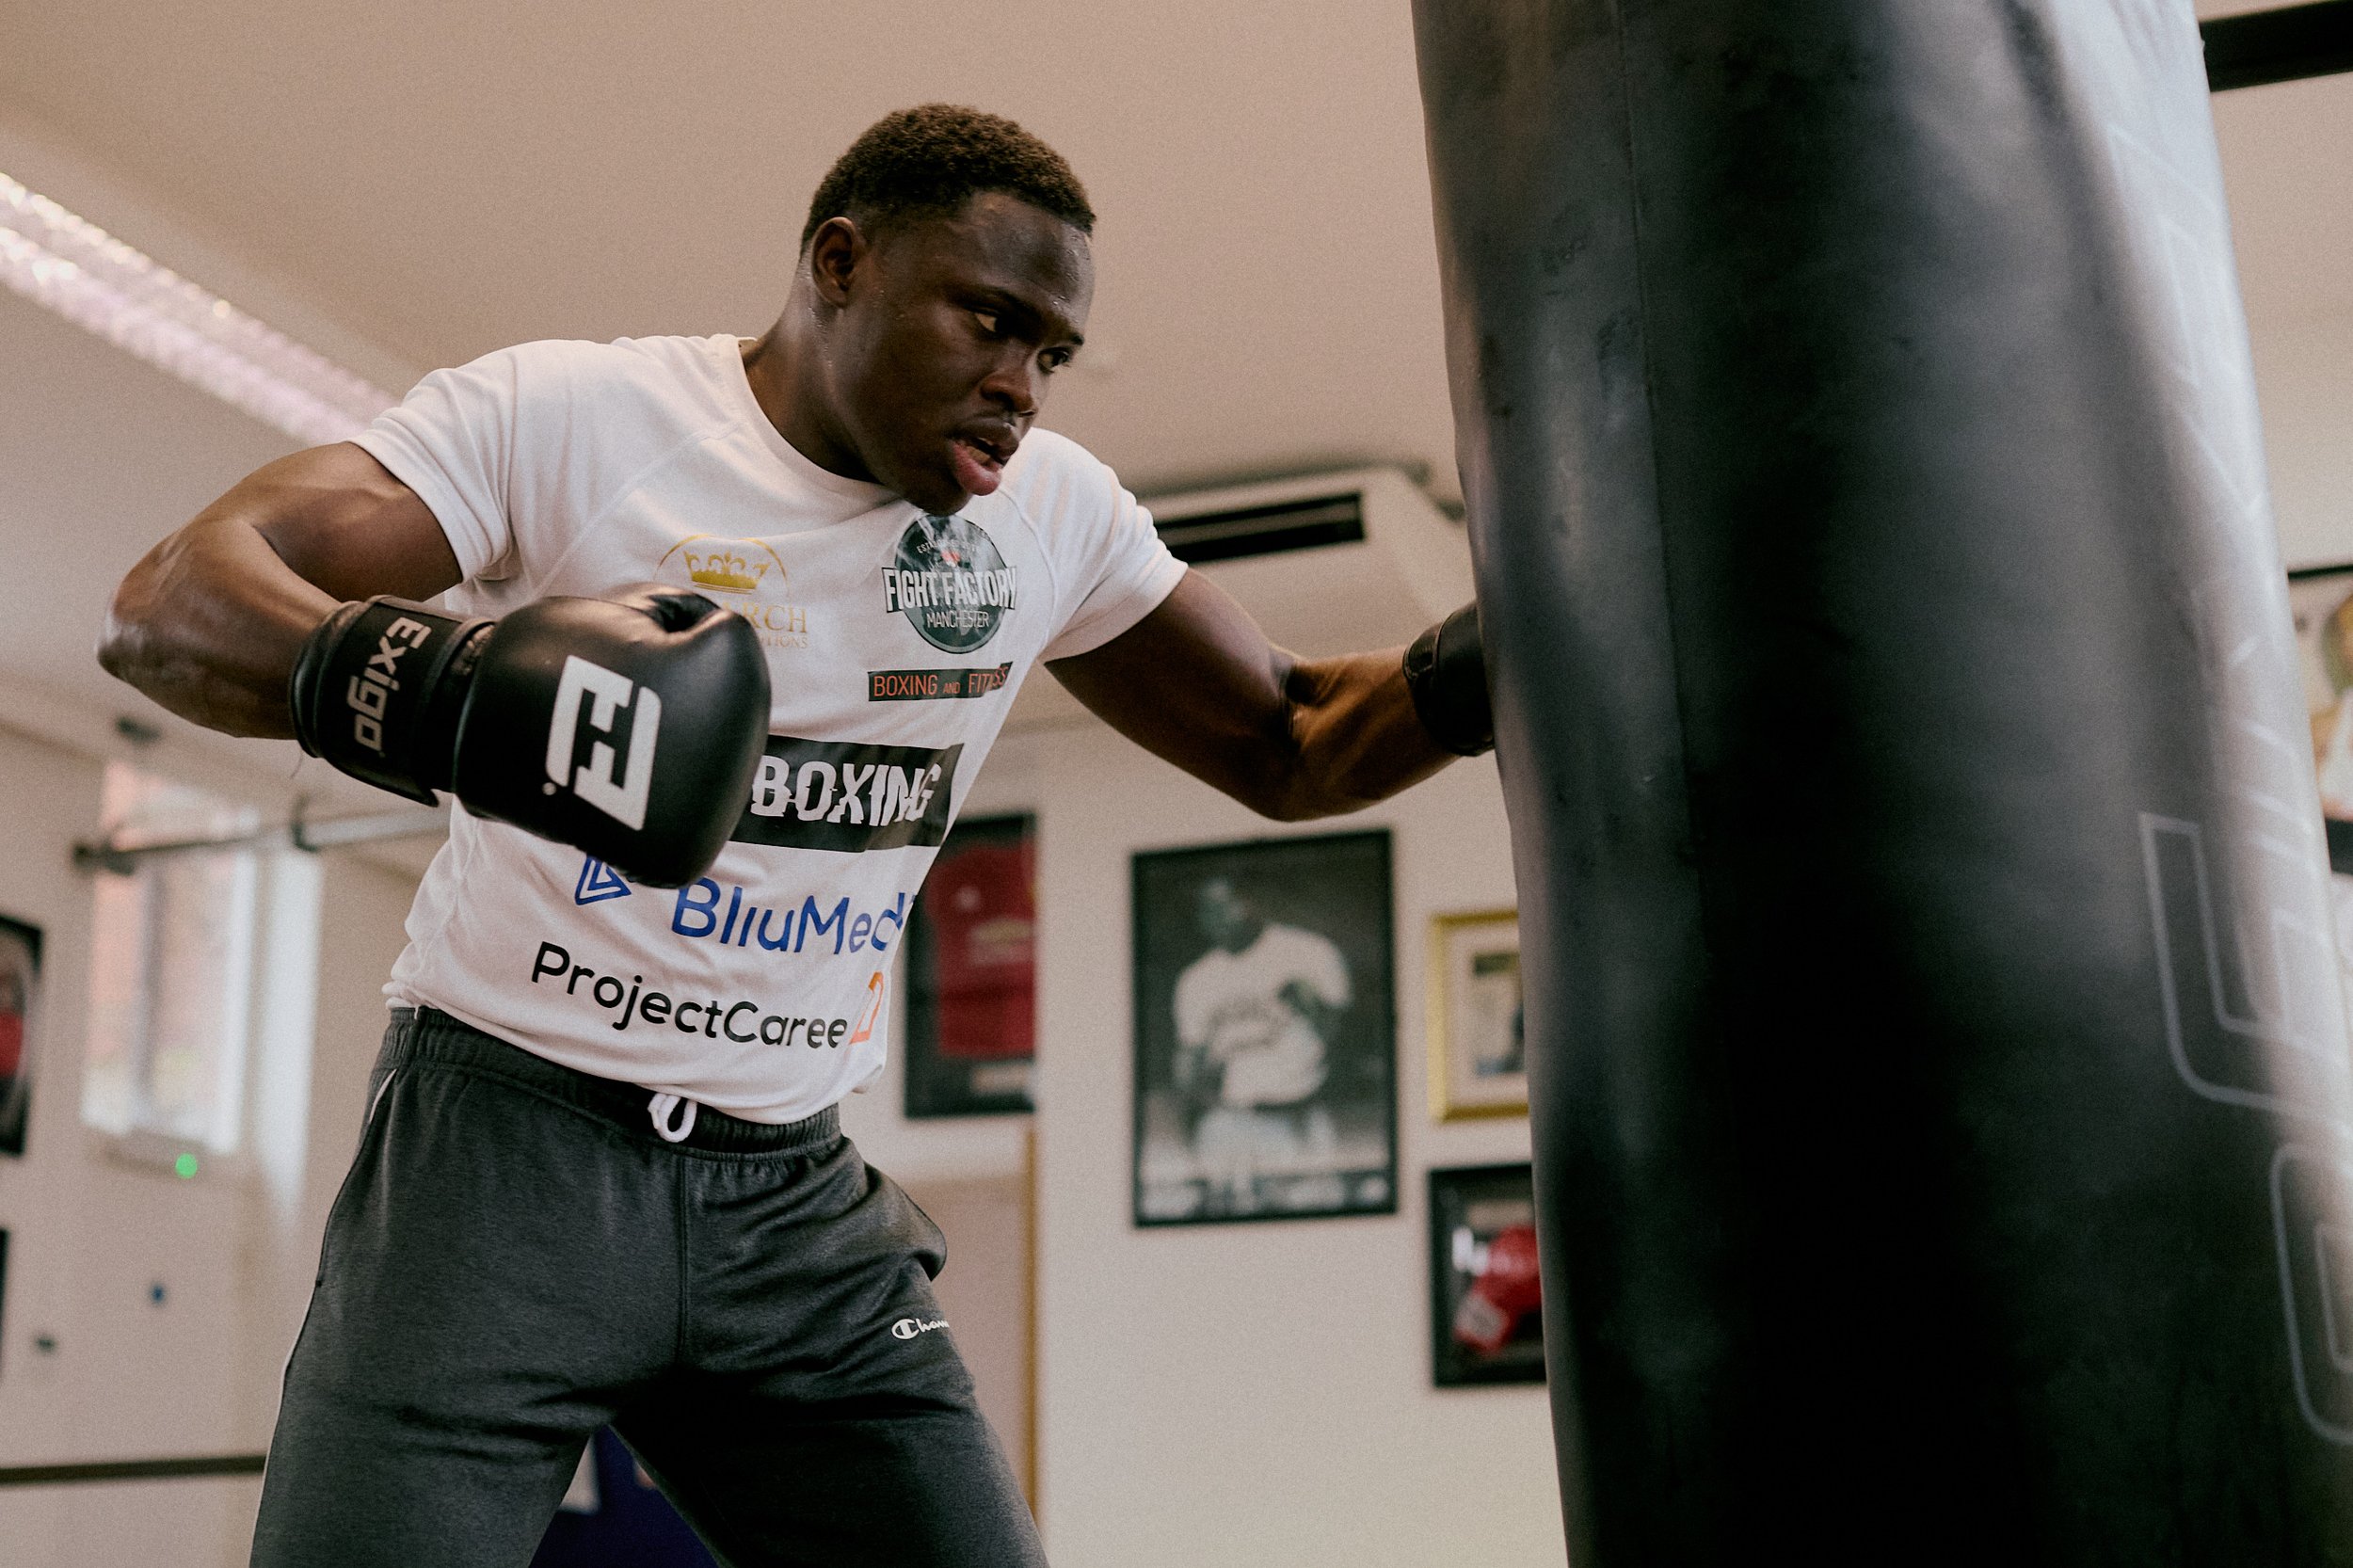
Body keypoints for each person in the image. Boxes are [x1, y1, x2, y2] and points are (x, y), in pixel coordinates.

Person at [99, 104, 1493, 1568]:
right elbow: (168, 601)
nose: (1020, 387)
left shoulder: (1053, 521)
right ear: (842, 263)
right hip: (502, 1166)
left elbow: (1288, 739)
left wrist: (1502, 661)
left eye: (1050, 353)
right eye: (989, 321)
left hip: (792, 1202)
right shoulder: (578, 422)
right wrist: (450, 695)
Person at [1171, 876, 1351, 1212]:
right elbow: (1188, 1065)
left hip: (1302, 1112)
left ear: (1254, 899)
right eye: (1207, 910)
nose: (1220, 917)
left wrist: (1314, 1007)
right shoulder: (1196, 979)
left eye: (1229, 903)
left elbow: (1351, 1045)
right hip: (1231, 1119)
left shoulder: (1308, 951)